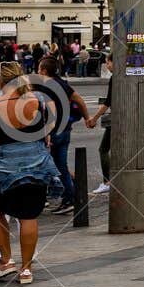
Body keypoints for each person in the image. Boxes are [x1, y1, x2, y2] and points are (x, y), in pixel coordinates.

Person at [0, 62, 62, 285]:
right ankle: (26, 270)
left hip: (2, 166)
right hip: (35, 163)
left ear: (0, 81)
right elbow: (47, 132)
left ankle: (6, 261)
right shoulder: (37, 103)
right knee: (29, 216)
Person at [35, 54, 89, 215]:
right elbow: (79, 99)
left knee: (43, 166)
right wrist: (87, 118)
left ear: (44, 71)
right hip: (65, 130)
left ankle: (51, 197)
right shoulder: (63, 84)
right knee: (60, 166)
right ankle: (69, 197)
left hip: (52, 133)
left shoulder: (45, 86)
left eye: (39, 69)